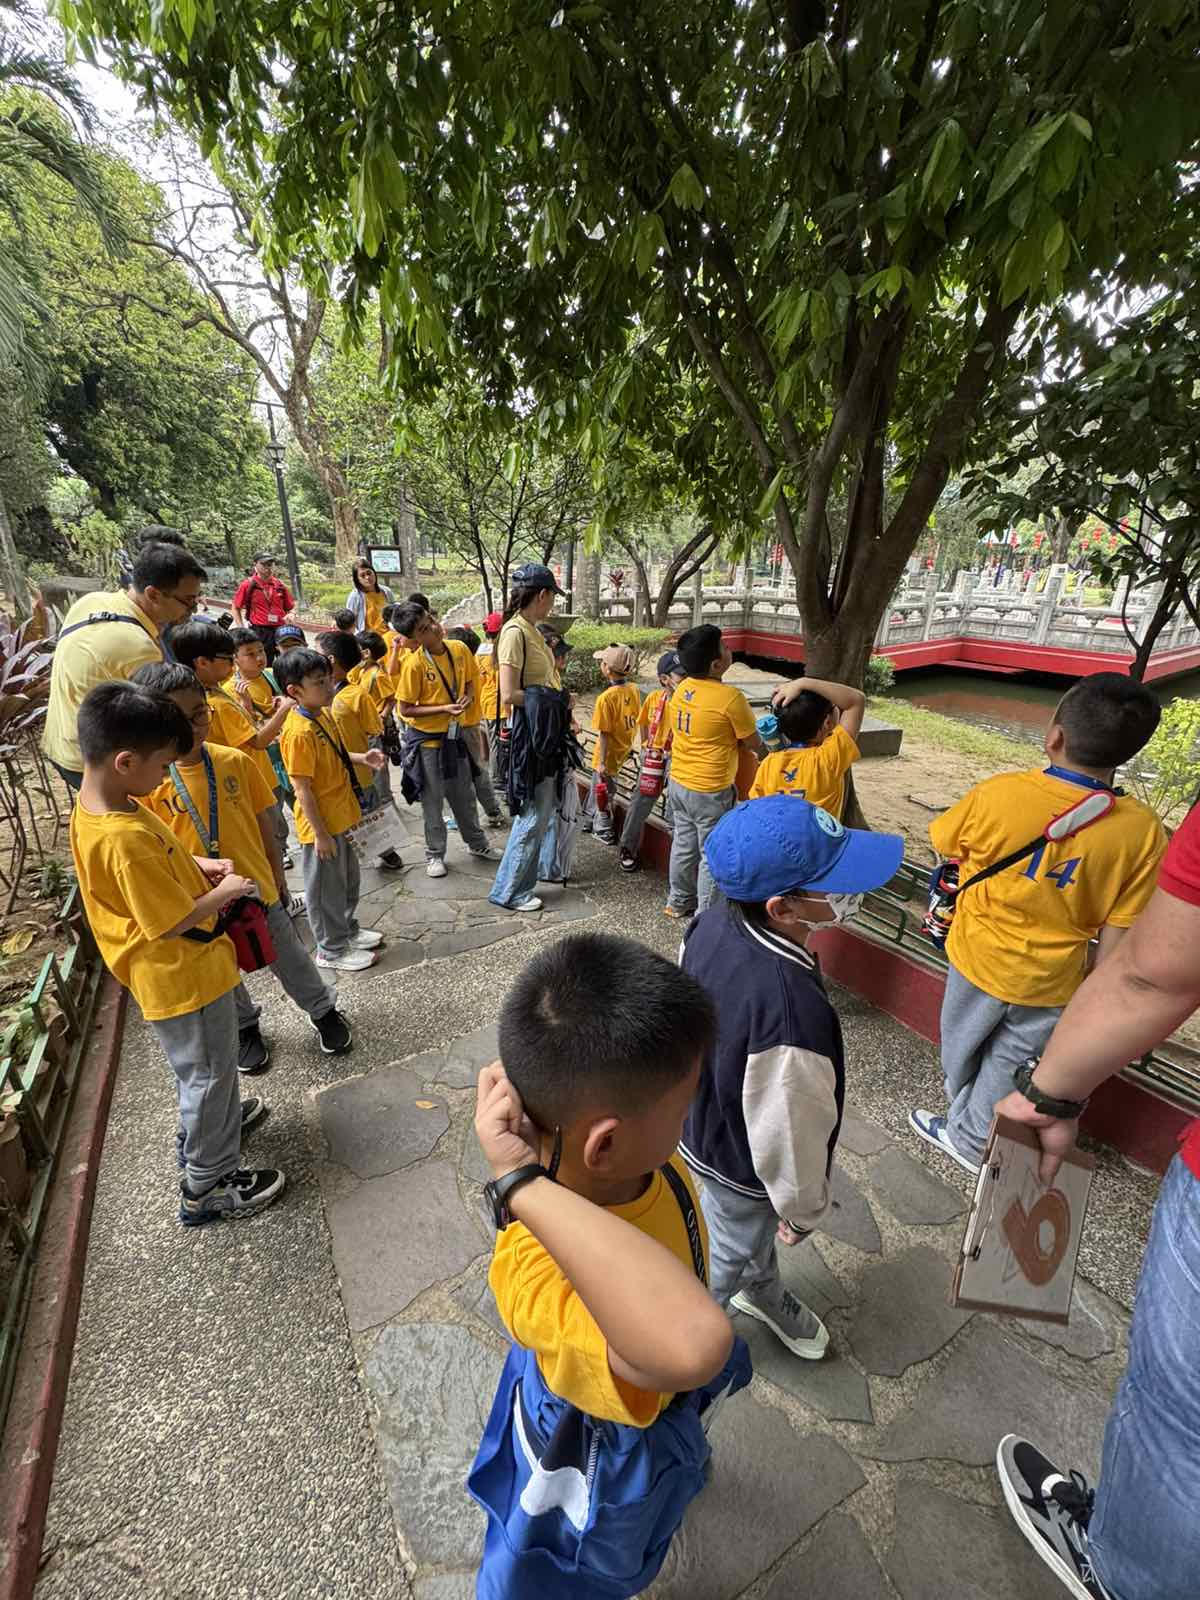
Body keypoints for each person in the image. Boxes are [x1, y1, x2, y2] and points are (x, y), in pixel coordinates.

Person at [468, 932, 749, 1600]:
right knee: (584, 1569)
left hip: (657, 1397)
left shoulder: (643, 1164)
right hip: (598, 1451)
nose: (696, 1108)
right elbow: (695, 1341)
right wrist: (519, 1185)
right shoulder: (531, 1270)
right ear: (607, 1143)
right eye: (685, 1101)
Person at [990, 803, 1200, 1600]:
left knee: (1185, 1427)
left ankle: (1124, 1573)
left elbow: (1159, 969)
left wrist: (1052, 1095)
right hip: (1046, 978)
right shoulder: (1136, 827)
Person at [910, 672, 1166, 1172]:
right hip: (1053, 980)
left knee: (961, 1048)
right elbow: (1119, 933)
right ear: (1127, 752)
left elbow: (944, 842)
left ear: (1055, 736)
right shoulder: (1142, 833)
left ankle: (963, 1133)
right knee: (1012, 1061)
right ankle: (970, 1127)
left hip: (977, 956)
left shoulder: (999, 794)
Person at [680, 795, 903, 1358]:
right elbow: (789, 1127)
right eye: (834, 885)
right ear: (782, 908)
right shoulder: (789, 1011)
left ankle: (764, 1291)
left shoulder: (710, 921)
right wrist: (802, 1209)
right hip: (742, 1162)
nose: (849, 896)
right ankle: (677, 1349)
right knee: (724, 1254)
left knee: (736, 1235)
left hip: (701, 1119)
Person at [69, 681, 284, 1226]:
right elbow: (170, 920)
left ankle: (213, 1127)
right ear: (124, 760)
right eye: (162, 766)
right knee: (209, 1073)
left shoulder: (102, 805)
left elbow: (155, 871)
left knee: (202, 1069)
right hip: (182, 974)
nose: (165, 776)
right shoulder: (121, 838)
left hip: (177, 975)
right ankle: (208, 1183)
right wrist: (226, 891)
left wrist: (195, 866)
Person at [134, 662, 353, 1062]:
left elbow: (263, 825)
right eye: (178, 718)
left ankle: (323, 1011)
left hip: (255, 890)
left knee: (289, 958)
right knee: (222, 971)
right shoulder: (151, 783)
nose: (194, 726)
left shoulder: (235, 762)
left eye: (200, 713)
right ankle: (245, 1026)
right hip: (197, 903)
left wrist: (276, 879)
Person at [43, 542, 207, 791]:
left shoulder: (93, 601)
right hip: (94, 761)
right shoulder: (138, 649)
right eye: (188, 601)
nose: (193, 610)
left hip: (60, 742)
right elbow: (167, 723)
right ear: (153, 594)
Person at [275, 647, 387, 973]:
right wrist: (320, 834)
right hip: (322, 825)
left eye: (327, 679)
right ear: (294, 691)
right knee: (324, 890)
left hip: (343, 814)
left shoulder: (321, 714)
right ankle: (331, 949)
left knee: (347, 882)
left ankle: (347, 930)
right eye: (319, 682)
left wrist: (362, 758)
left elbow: (335, 755)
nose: (328, 687)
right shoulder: (298, 731)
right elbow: (302, 788)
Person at [170, 621, 293, 876]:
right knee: (271, 837)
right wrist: (285, 708)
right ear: (203, 662)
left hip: (242, 780)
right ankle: (279, 894)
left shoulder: (213, 694)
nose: (233, 664)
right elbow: (257, 741)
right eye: (228, 658)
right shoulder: (219, 702)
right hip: (252, 780)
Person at [487, 564, 571, 914]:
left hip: (544, 733)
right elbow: (509, 694)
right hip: (529, 736)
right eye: (552, 597)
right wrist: (556, 699)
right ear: (542, 595)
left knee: (540, 811)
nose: (553, 603)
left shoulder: (532, 631)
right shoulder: (514, 633)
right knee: (533, 814)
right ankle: (509, 891)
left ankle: (521, 884)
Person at [664, 623, 763, 921]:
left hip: (679, 781)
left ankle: (678, 901)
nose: (729, 649)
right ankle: (705, 918)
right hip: (711, 788)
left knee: (683, 843)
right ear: (716, 663)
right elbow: (752, 742)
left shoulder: (682, 689)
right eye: (725, 646)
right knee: (712, 853)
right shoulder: (730, 698)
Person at [393, 601, 494, 878]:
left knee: (464, 794)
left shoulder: (459, 649)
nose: (434, 629)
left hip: (454, 737)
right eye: (425, 629)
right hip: (427, 741)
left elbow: (472, 680)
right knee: (433, 800)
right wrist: (443, 708)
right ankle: (434, 855)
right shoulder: (414, 665)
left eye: (431, 620)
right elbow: (405, 709)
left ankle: (478, 843)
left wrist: (469, 696)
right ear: (415, 639)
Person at [318, 630, 403, 871]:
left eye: (319, 653)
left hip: (358, 770)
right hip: (335, 771)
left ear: (331, 660)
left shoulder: (355, 693)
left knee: (368, 812)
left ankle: (387, 852)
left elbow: (374, 728)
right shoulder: (322, 694)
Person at [753, 675, 866, 819]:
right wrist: (803, 683)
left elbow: (756, 806)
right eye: (834, 706)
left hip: (779, 840)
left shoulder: (768, 763)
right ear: (827, 722)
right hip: (820, 841)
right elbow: (856, 700)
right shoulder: (829, 759)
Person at [620, 649, 684, 872]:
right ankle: (627, 847)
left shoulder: (689, 701)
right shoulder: (656, 699)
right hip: (655, 756)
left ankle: (678, 861)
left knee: (675, 810)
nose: (685, 680)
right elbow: (644, 723)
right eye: (680, 676)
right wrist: (646, 748)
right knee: (641, 803)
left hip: (679, 759)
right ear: (664, 679)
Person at [445, 625, 505, 829]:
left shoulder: (462, 672)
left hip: (462, 728)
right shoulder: (471, 668)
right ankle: (493, 811)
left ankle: (466, 818)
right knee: (478, 771)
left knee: (463, 776)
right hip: (469, 727)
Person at [581, 644, 641, 845]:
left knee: (604, 793)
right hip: (623, 749)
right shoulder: (633, 689)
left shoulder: (606, 698)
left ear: (607, 668)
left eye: (602, 662)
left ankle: (603, 829)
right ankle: (588, 820)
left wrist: (602, 762)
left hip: (606, 755)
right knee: (598, 786)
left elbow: (604, 733)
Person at [232, 553, 295, 663]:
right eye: (264, 564)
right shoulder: (248, 585)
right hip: (259, 630)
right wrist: (241, 627)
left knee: (286, 661)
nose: (268, 568)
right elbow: (235, 607)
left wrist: (291, 614)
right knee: (264, 662)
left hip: (280, 630)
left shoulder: (280, 585)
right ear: (255, 565)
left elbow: (291, 607)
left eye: (270, 564)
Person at [344, 559, 394, 634]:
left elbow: (393, 614)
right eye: (362, 575)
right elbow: (349, 622)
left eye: (369, 573)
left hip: (388, 637)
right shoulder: (355, 596)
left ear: (374, 573)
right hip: (367, 640)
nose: (367, 577)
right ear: (357, 580)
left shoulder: (386, 592)